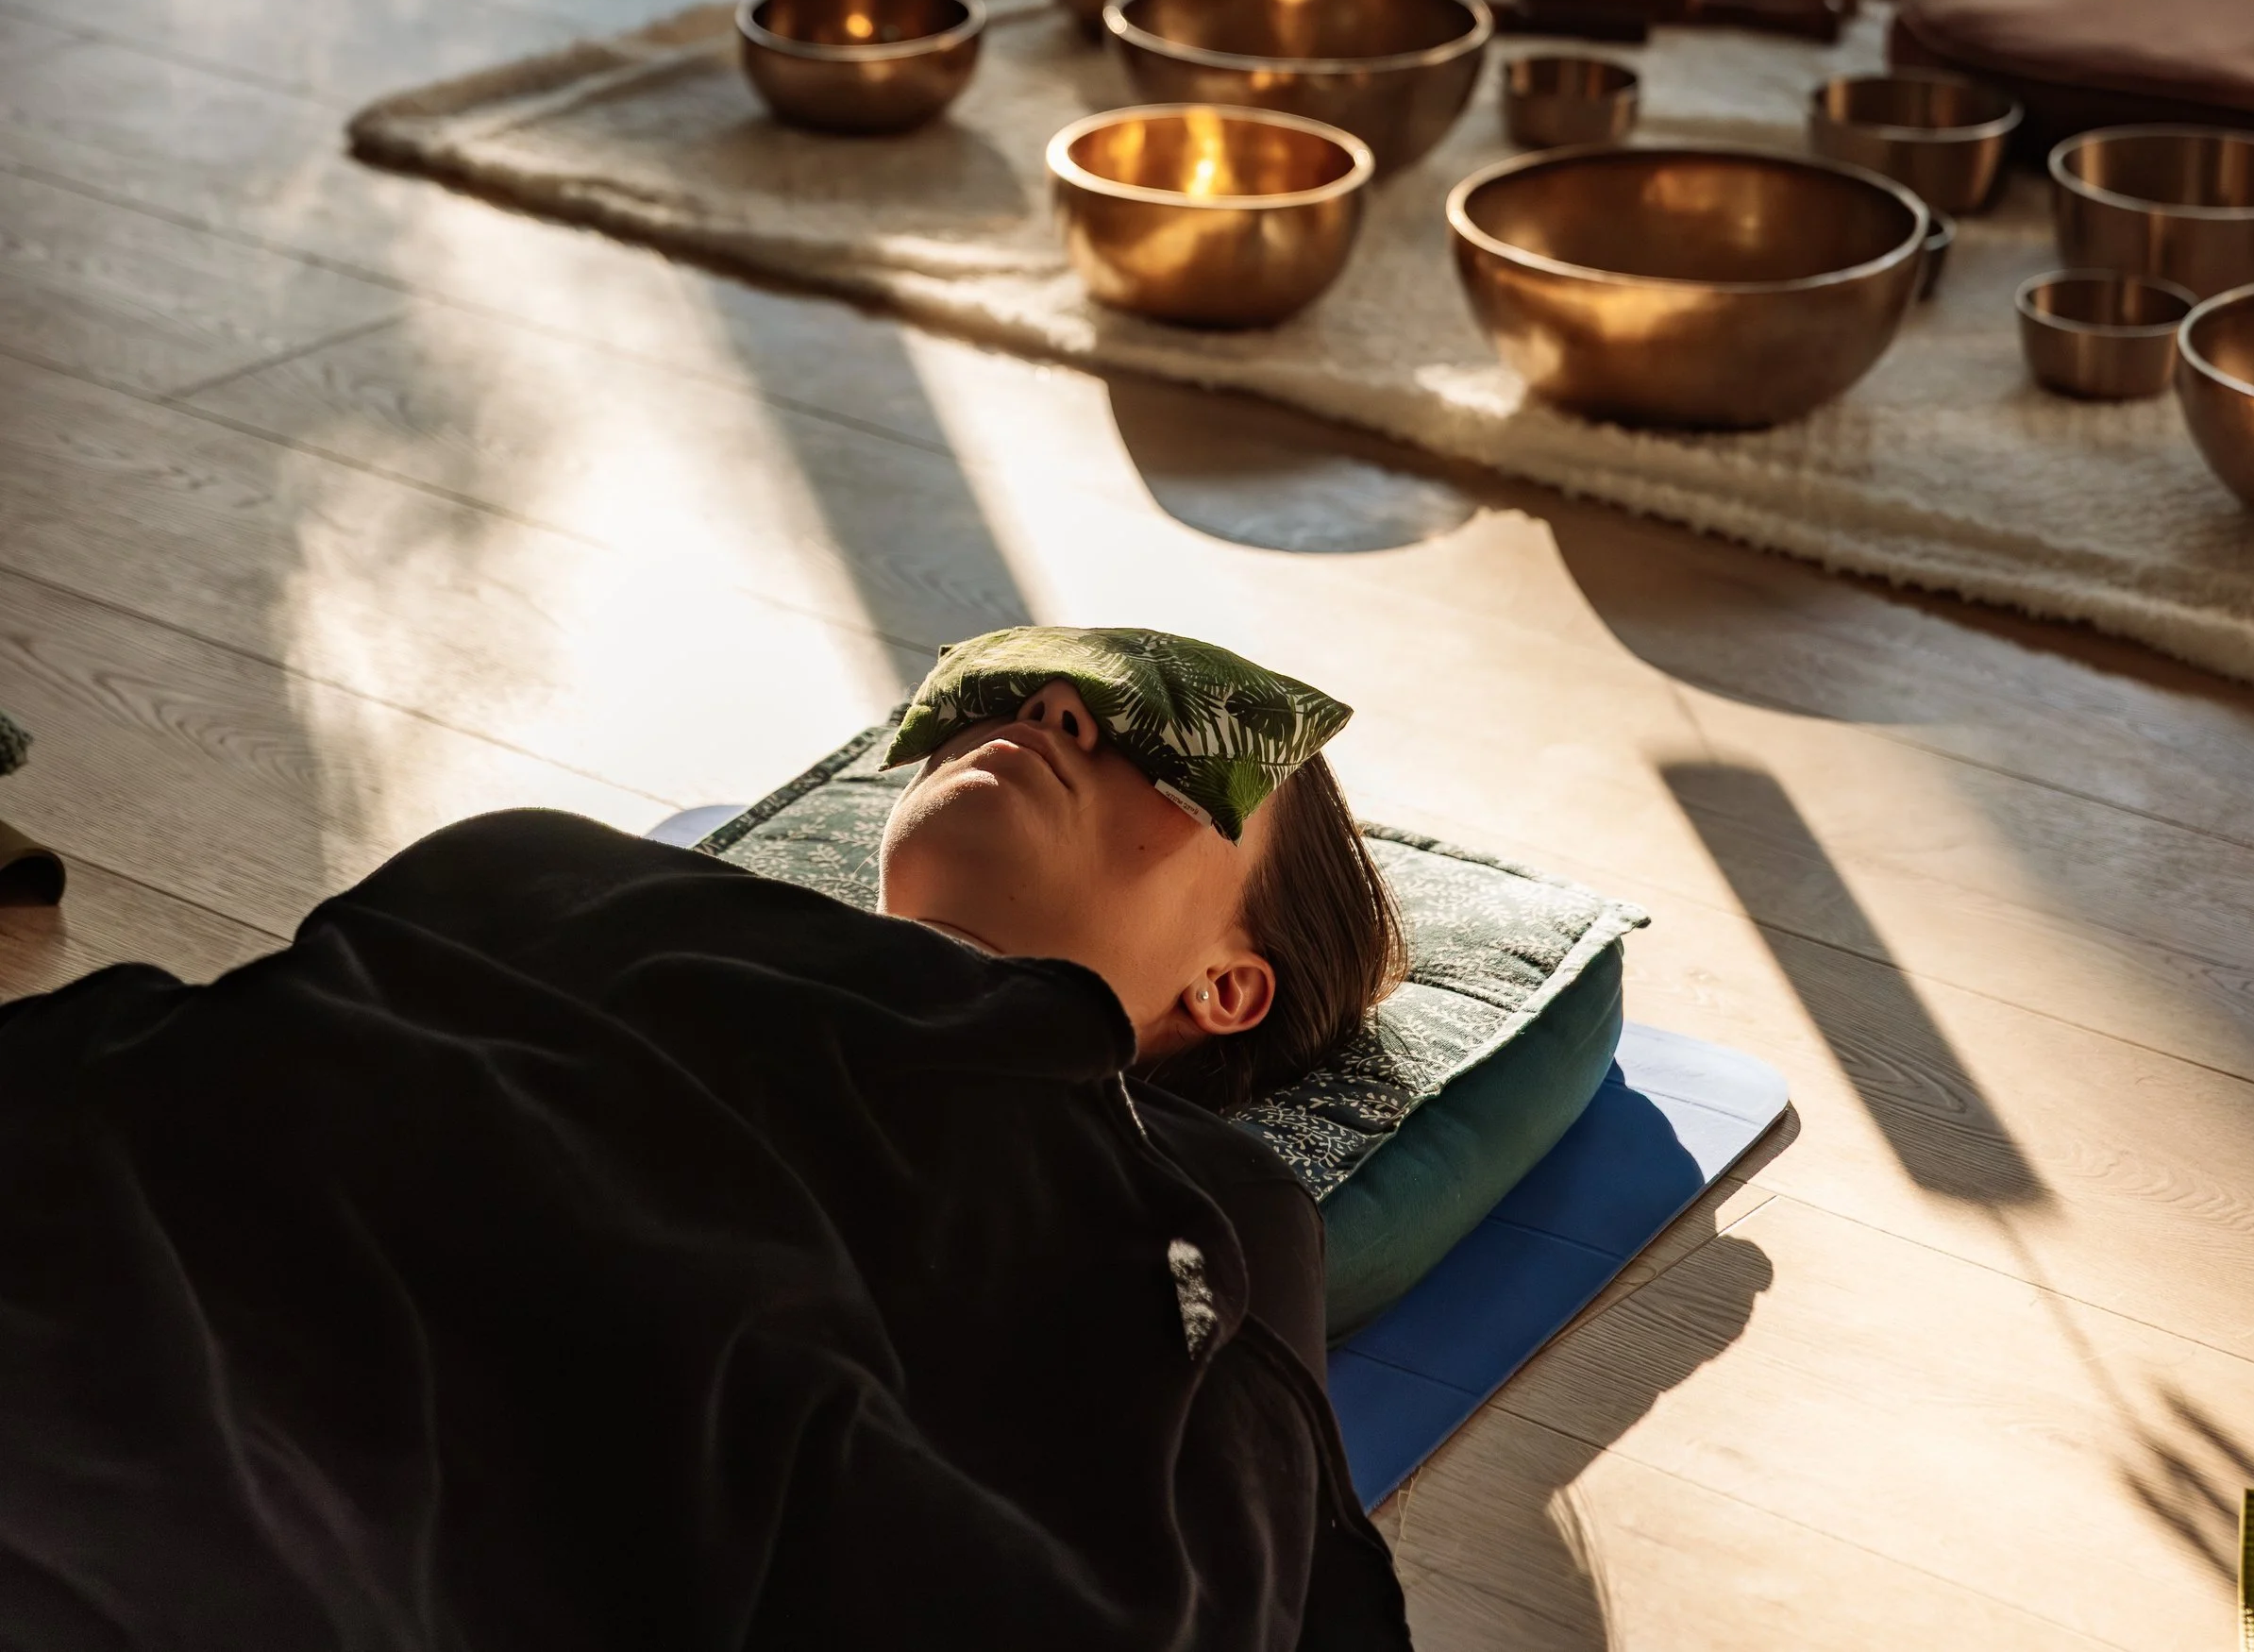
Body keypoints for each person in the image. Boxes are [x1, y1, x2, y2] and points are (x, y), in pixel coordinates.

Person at [0, 649, 1411, 1647]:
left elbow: (1153, 1562)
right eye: (1026, 680)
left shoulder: (1194, 1189)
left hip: (359, 1519)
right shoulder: (550, 865)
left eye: (1177, 741)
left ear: (1229, 987)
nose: (1057, 708)